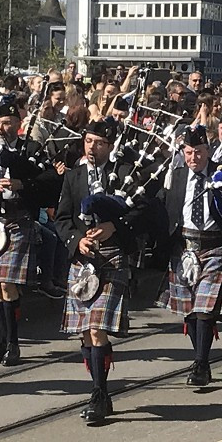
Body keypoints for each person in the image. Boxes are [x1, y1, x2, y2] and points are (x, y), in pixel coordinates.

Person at [55, 119, 147, 423]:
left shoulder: (123, 173)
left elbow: (143, 209)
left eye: (99, 143)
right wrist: (76, 240)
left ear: (110, 146)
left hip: (113, 257)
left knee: (97, 330)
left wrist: (113, 225)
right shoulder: (73, 176)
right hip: (83, 262)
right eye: (89, 141)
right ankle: (102, 394)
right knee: (85, 334)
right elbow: (63, 218)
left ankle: (98, 393)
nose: (92, 148)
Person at [0, 100, 58, 365]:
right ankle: (3, 342)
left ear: (18, 124)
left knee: (7, 284)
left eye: (7, 123)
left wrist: (22, 184)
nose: (2, 128)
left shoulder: (31, 149)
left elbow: (51, 182)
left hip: (19, 220)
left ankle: (13, 345)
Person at [158, 125, 222, 386]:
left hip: (215, 246)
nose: (193, 158)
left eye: (198, 152)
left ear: (208, 151)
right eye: (188, 152)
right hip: (184, 247)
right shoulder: (175, 176)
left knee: (204, 311)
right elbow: (165, 208)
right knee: (189, 311)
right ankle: (202, 358)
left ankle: (200, 363)